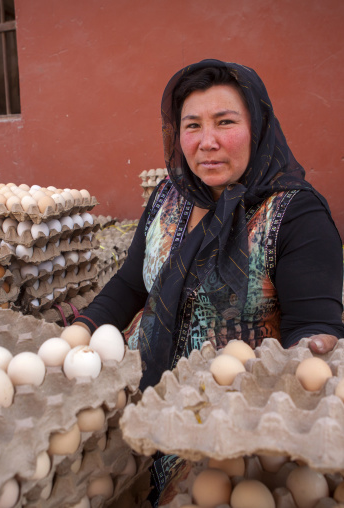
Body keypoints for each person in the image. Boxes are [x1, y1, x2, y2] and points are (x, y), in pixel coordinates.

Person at [70, 59, 344, 505]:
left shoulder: (296, 215)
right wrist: (80, 331)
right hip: (143, 406)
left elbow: (313, 332)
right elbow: (130, 286)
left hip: (222, 429)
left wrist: (315, 347)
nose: (207, 142)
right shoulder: (169, 195)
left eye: (225, 122)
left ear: (257, 126)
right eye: (192, 125)